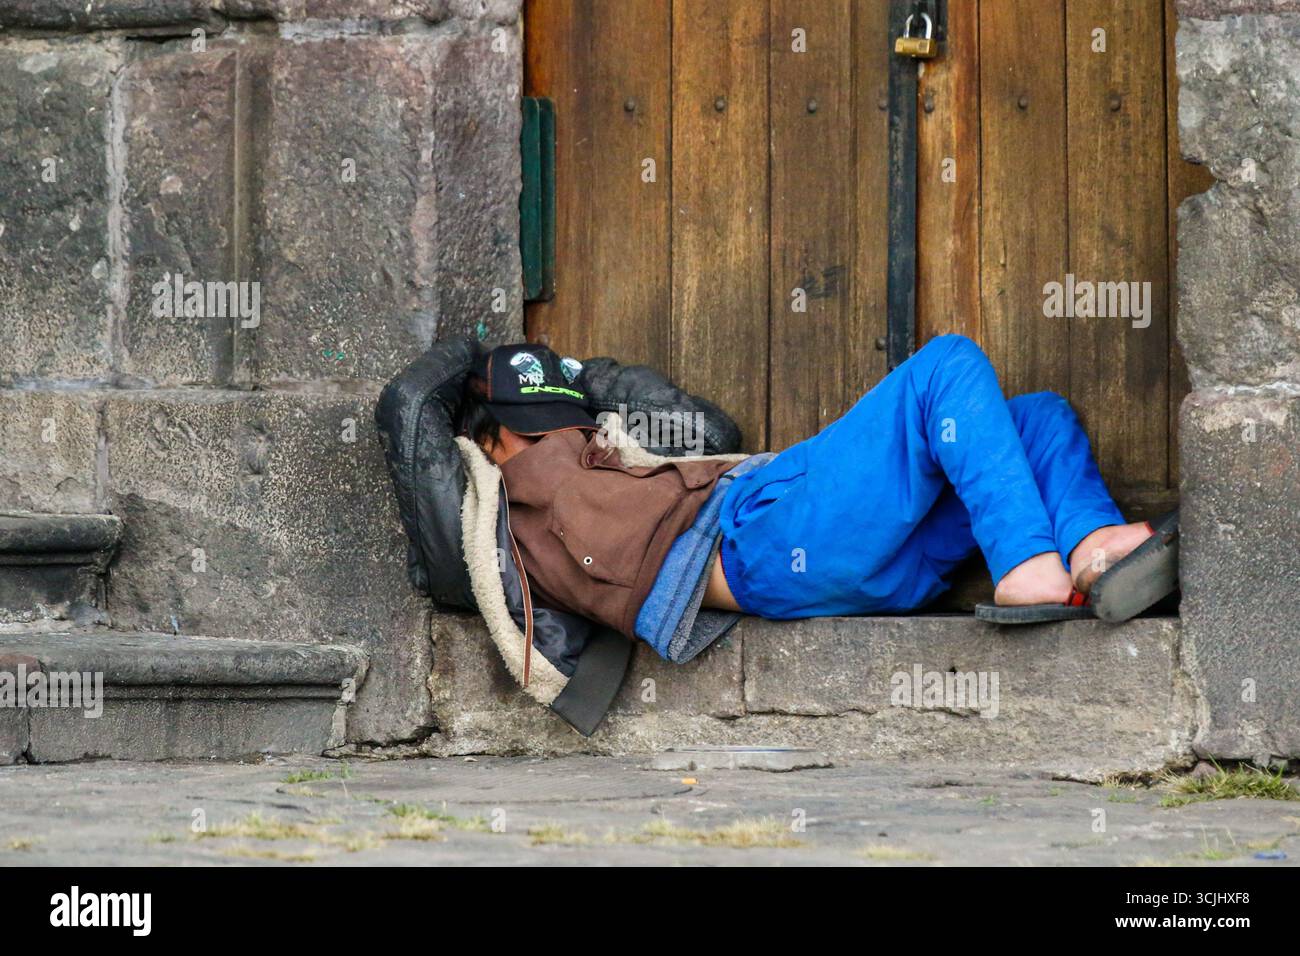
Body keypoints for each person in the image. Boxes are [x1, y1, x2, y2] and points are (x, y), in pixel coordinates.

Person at [458, 335, 1179, 664]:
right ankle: (1027, 569)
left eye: (565, 420)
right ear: (490, 443)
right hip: (760, 541)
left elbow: (710, 430)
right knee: (945, 366)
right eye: (530, 433)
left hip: (831, 544)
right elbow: (408, 410)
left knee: (1040, 417)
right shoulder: (516, 501)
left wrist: (588, 377)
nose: (558, 438)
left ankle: (1091, 548)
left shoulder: (601, 447)